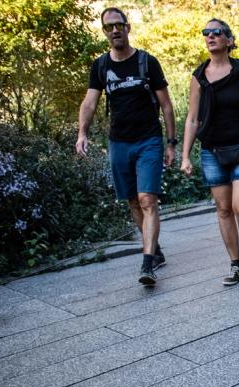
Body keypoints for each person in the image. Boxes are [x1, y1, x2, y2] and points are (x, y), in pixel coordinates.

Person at [77, 7, 176, 286]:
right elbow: (90, 102)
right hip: (119, 142)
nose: (115, 30)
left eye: (119, 25)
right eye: (109, 27)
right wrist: (82, 133)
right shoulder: (100, 66)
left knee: (147, 199)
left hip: (149, 140)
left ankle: (147, 265)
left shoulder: (147, 62)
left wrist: (171, 143)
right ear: (104, 32)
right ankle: (154, 249)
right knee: (132, 200)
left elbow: (167, 105)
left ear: (128, 27)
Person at [180, 19, 239, 285]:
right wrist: (186, 155)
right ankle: (235, 264)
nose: (210, 36)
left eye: (216, 32)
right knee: (223, 209)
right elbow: (192, 119)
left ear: (229, 40)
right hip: (212, 150)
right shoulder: (198, 77)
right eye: (206, 33)